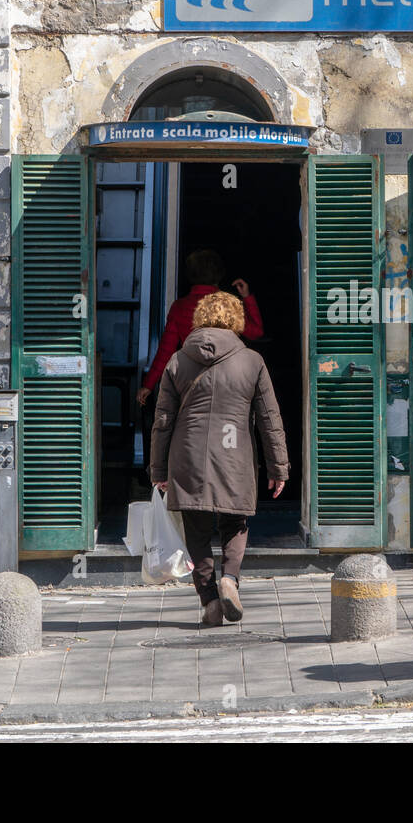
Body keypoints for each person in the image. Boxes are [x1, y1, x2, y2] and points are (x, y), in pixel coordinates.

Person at [150, 291, 288, 627]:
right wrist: (278, 467)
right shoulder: (252, 361)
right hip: (234, 453)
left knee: (196, 530)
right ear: (236, 320)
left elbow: (163, 420)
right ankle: (230, 579)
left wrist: (158, 469)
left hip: (188, 455)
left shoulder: (178, 360)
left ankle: (209, 600)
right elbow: (270, 420)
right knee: (235, 521)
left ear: (199, 318)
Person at [136, 249, 264, 407]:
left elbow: (165, 351)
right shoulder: (227, 305)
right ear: (219, 274)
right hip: (227, 384)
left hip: (192, 384)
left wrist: (148, 385)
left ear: (191, 276)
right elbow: (256, 332)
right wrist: (247, 297)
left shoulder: (179, 307)